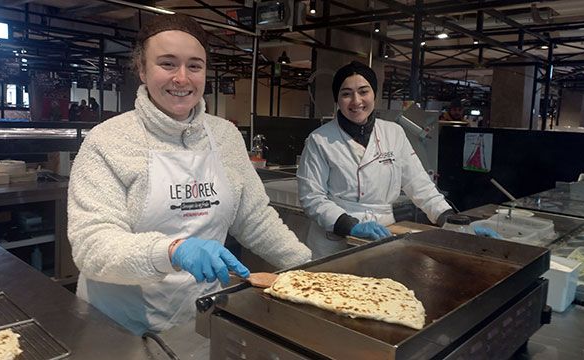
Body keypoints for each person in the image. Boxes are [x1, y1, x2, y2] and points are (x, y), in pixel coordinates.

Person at [67, 13, 311, 337]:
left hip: (199, 320)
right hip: (119, 329)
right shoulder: (108, 141)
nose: (182, 78)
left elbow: (254, 217)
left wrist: (310, 269)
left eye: (194, 66)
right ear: (141, 69)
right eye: (167, 64)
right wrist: (172, 251)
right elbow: (92, 247)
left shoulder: (225, 136)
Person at [297, 61, 454, 259]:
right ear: (337, 99)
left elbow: (419, 184)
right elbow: (312, 198)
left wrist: (449, 219)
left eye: (364, 91)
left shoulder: (394, 133)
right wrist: (349, 225)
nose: (356, 101)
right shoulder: (319, 140)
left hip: (383, 233)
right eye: (346, 94)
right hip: (333, 238)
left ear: (374, 94)